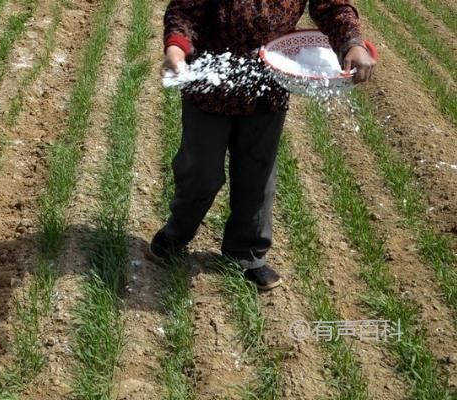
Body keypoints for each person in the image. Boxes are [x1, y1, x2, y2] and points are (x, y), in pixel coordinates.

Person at [149, 0, 376, 290]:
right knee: (200, 173)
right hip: (210, 88)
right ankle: (175, 234)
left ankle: (247, 254)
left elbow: (332, 7)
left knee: (257, 173)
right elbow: (184, 11)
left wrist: (352, 44)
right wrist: (176, 50)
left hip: (268, 87)